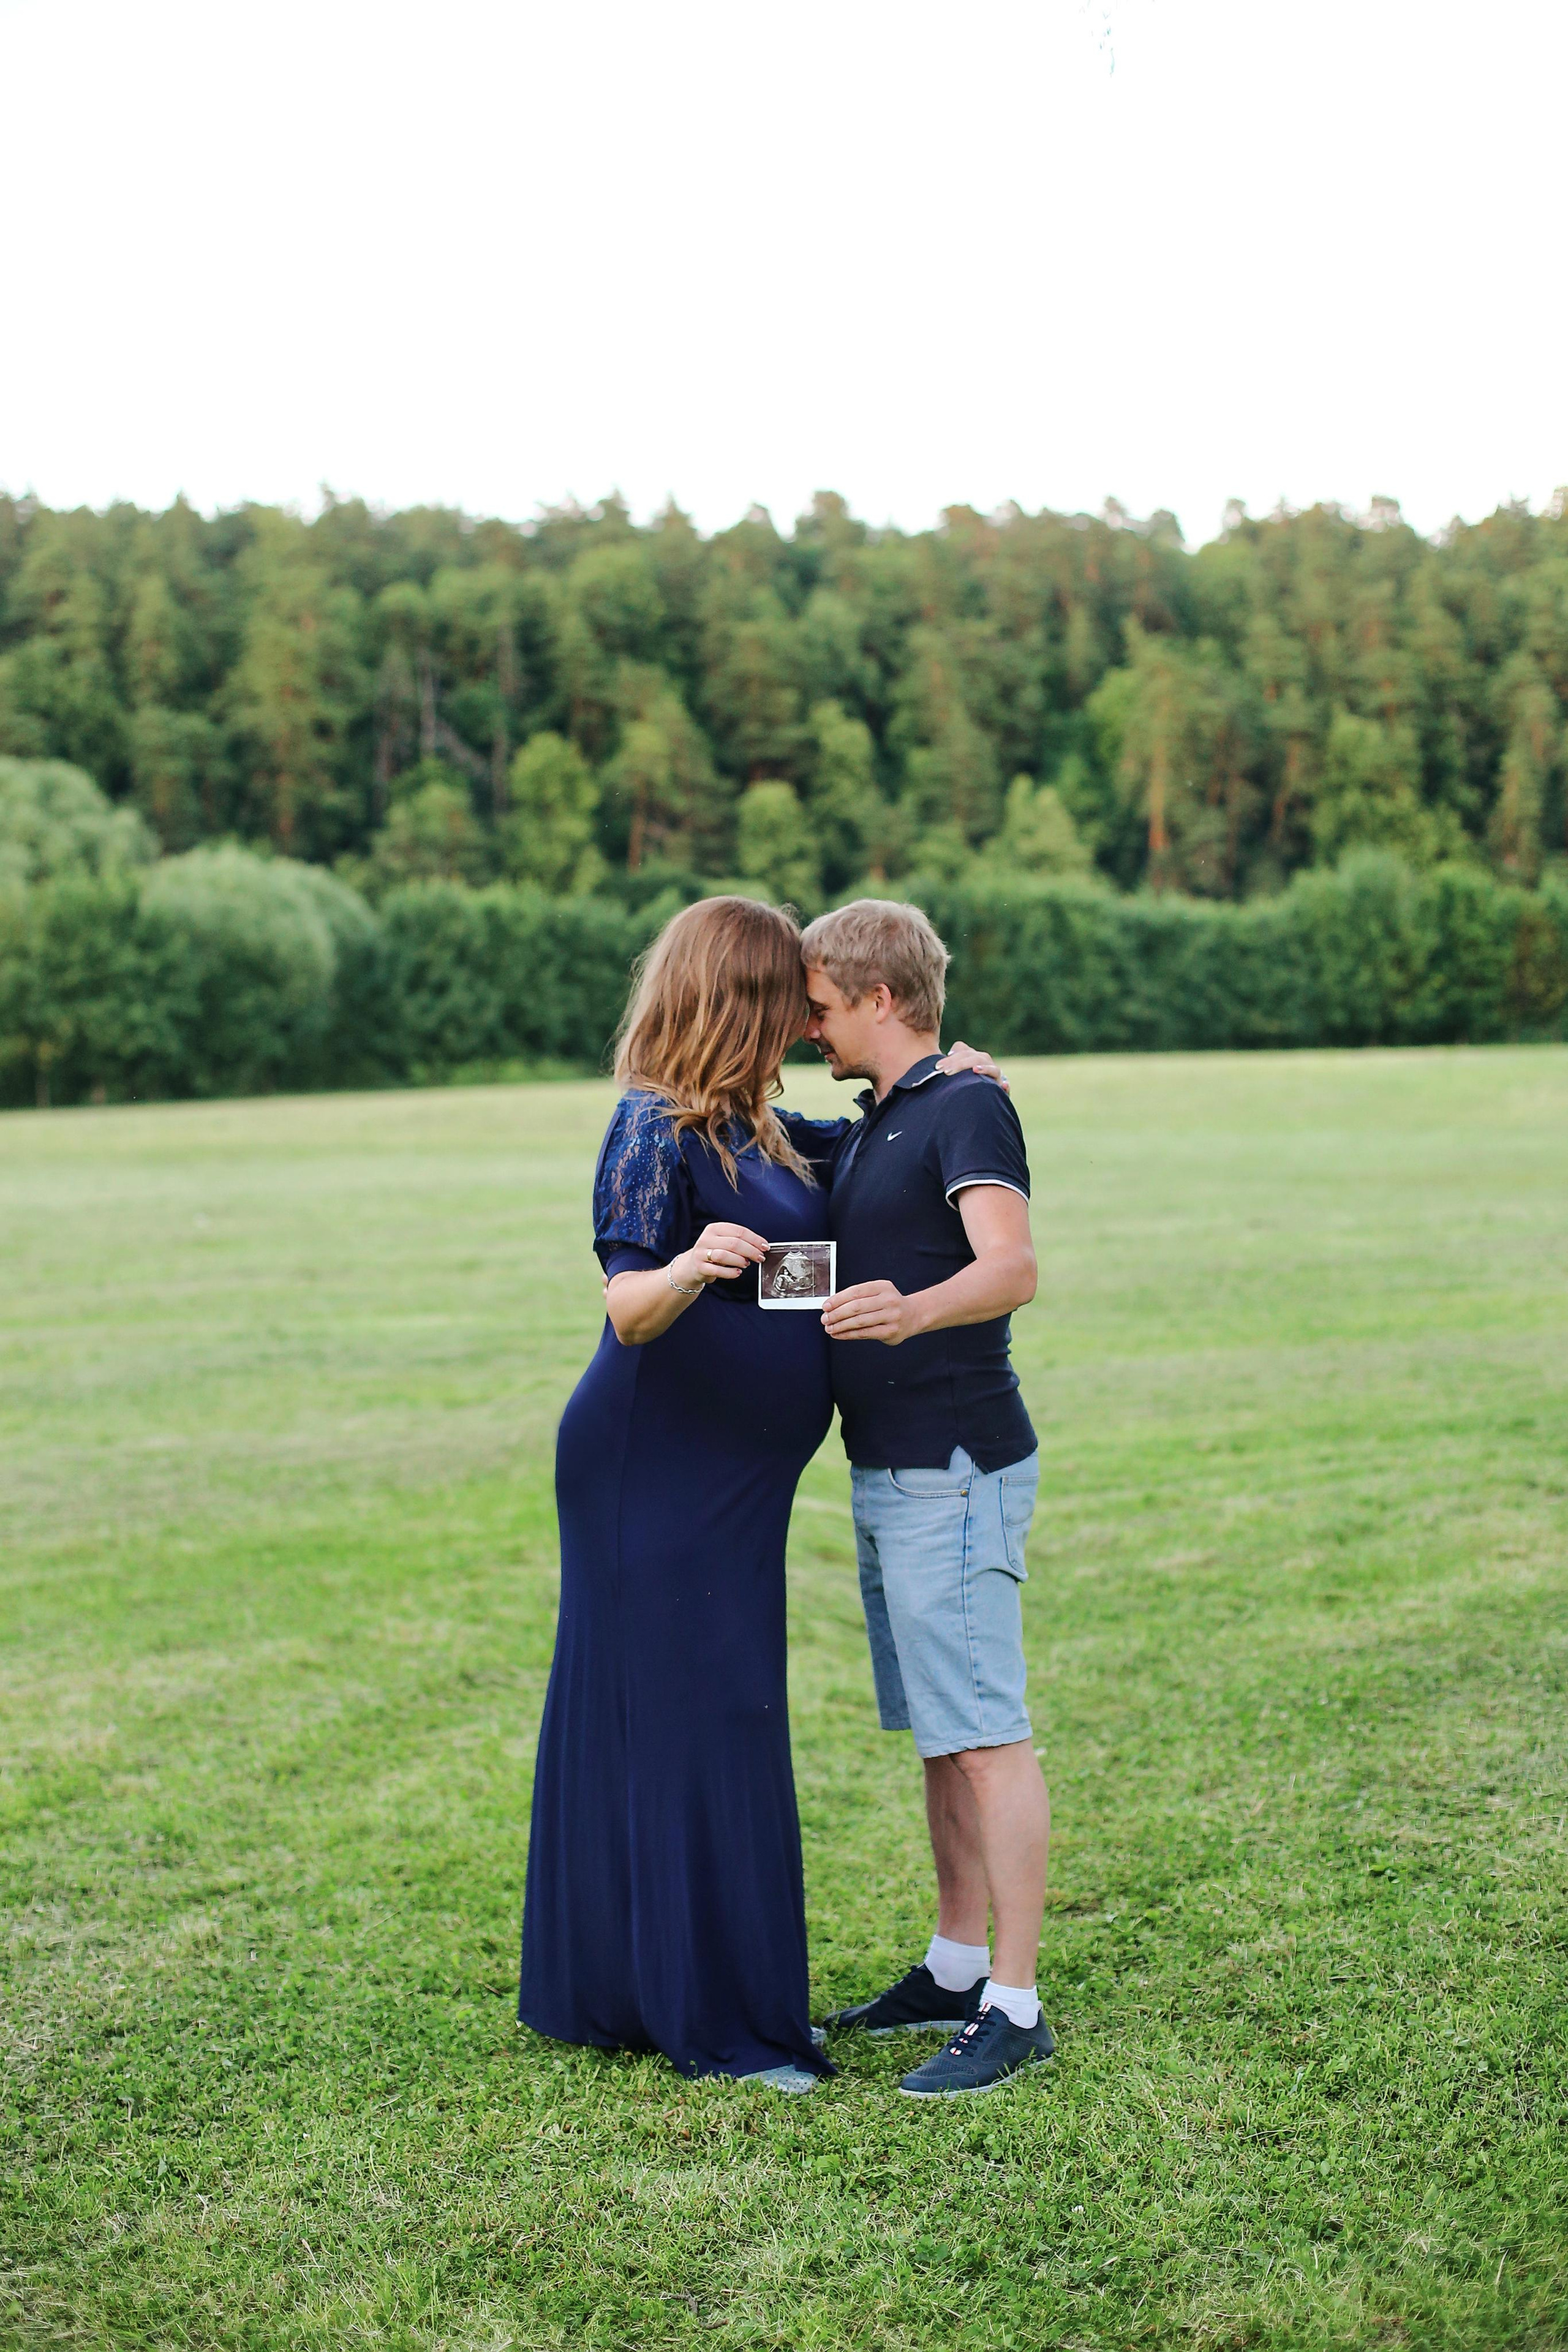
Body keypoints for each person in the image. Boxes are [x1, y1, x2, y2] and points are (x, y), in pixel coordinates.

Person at [518, 895, 1000, 2092]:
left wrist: (955, 1077)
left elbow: (865, 1177)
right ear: (735, 1000)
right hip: (653, 1465)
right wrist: (686, 1265)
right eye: (788, 991)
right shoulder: (652, 1125)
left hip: (738, 1478)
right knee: (694, 1721)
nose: (806, 1010)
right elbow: (630, 1307)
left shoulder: (765, 1129)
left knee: (714, 1712)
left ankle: (626, 1984)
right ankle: (713, 2021)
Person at [800, 899, 1056, 2099]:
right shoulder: (878, 1121)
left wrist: (911, 1308)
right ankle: (954, 1964)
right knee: (941, 1736)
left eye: (818, 1005)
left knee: (985, 1736)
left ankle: (1013, 2003)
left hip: (949, 1470)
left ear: (878, 998)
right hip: (888, 1471)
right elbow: (840, 1262)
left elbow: (1009, 1264)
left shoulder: (964, 1105)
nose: (808, 1027)